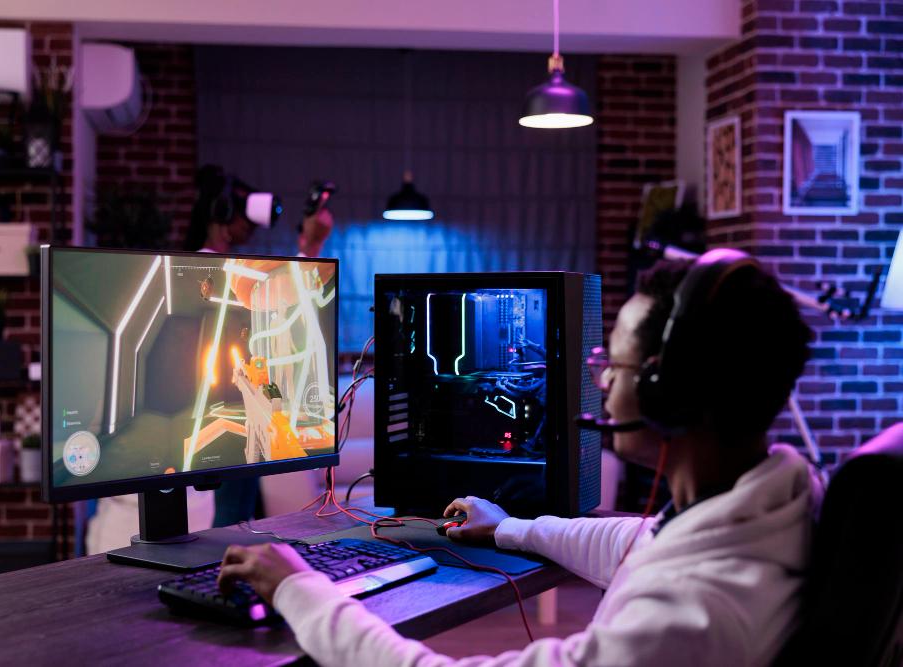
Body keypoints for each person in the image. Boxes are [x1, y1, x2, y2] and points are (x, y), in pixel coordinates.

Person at [216, 250, 823, 666]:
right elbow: (639, 541)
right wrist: (509, 528)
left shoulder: (688, 617)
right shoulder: (770, 511)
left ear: (672, 394)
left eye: (619, 365)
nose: (603, 382)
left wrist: (300, 589)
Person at [186, 165, 335, 528]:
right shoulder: (209, 267)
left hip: (242, 400)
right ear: (221, 215)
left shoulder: (219, 270)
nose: (250, 228)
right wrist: (310, 249)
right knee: (232, 518)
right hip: (229, 414)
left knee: (239, 507)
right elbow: (293, 296)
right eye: (242, 216)